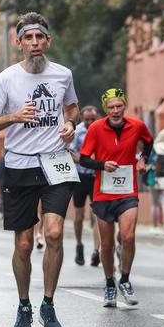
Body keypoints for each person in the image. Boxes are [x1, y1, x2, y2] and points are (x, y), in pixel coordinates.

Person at [0, 12, 79, 327]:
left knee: (53, 233)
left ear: (47, 41)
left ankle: (48, 304)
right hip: (19, 164)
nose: (35, 43)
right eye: (28, 38)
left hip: (56, 163)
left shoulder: (63, 74)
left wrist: (70, 124)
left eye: (40, 38)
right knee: (23, 245)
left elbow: (72, 107)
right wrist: (14, 116)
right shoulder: (7, 79)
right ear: (19, 43)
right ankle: (24, 305)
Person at [79, 88, 153, 307]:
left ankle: (126, 280)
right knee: (108, 244)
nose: (115, 111)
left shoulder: (137, 125)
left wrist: (142, 159)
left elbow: (149, 142)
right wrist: (102, 164)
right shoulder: (95, 128)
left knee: (128, 237)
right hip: (103, 192)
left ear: (124, 106)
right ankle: (110, 283)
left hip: (128, 191)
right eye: (111, 107)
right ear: (105, 109)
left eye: (119, 106)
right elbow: (84, 159)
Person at [70, 105, 101, 266]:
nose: (89, 122)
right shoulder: (77, 132)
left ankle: (97, 250)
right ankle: (79, 245)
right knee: (79, 215)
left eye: (92, 119)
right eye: (86, 119)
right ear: (81, 118)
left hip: (97, 176)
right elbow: (71, 153)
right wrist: (87, 161)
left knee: (97, 215)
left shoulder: (102, 129)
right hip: (80, 176)